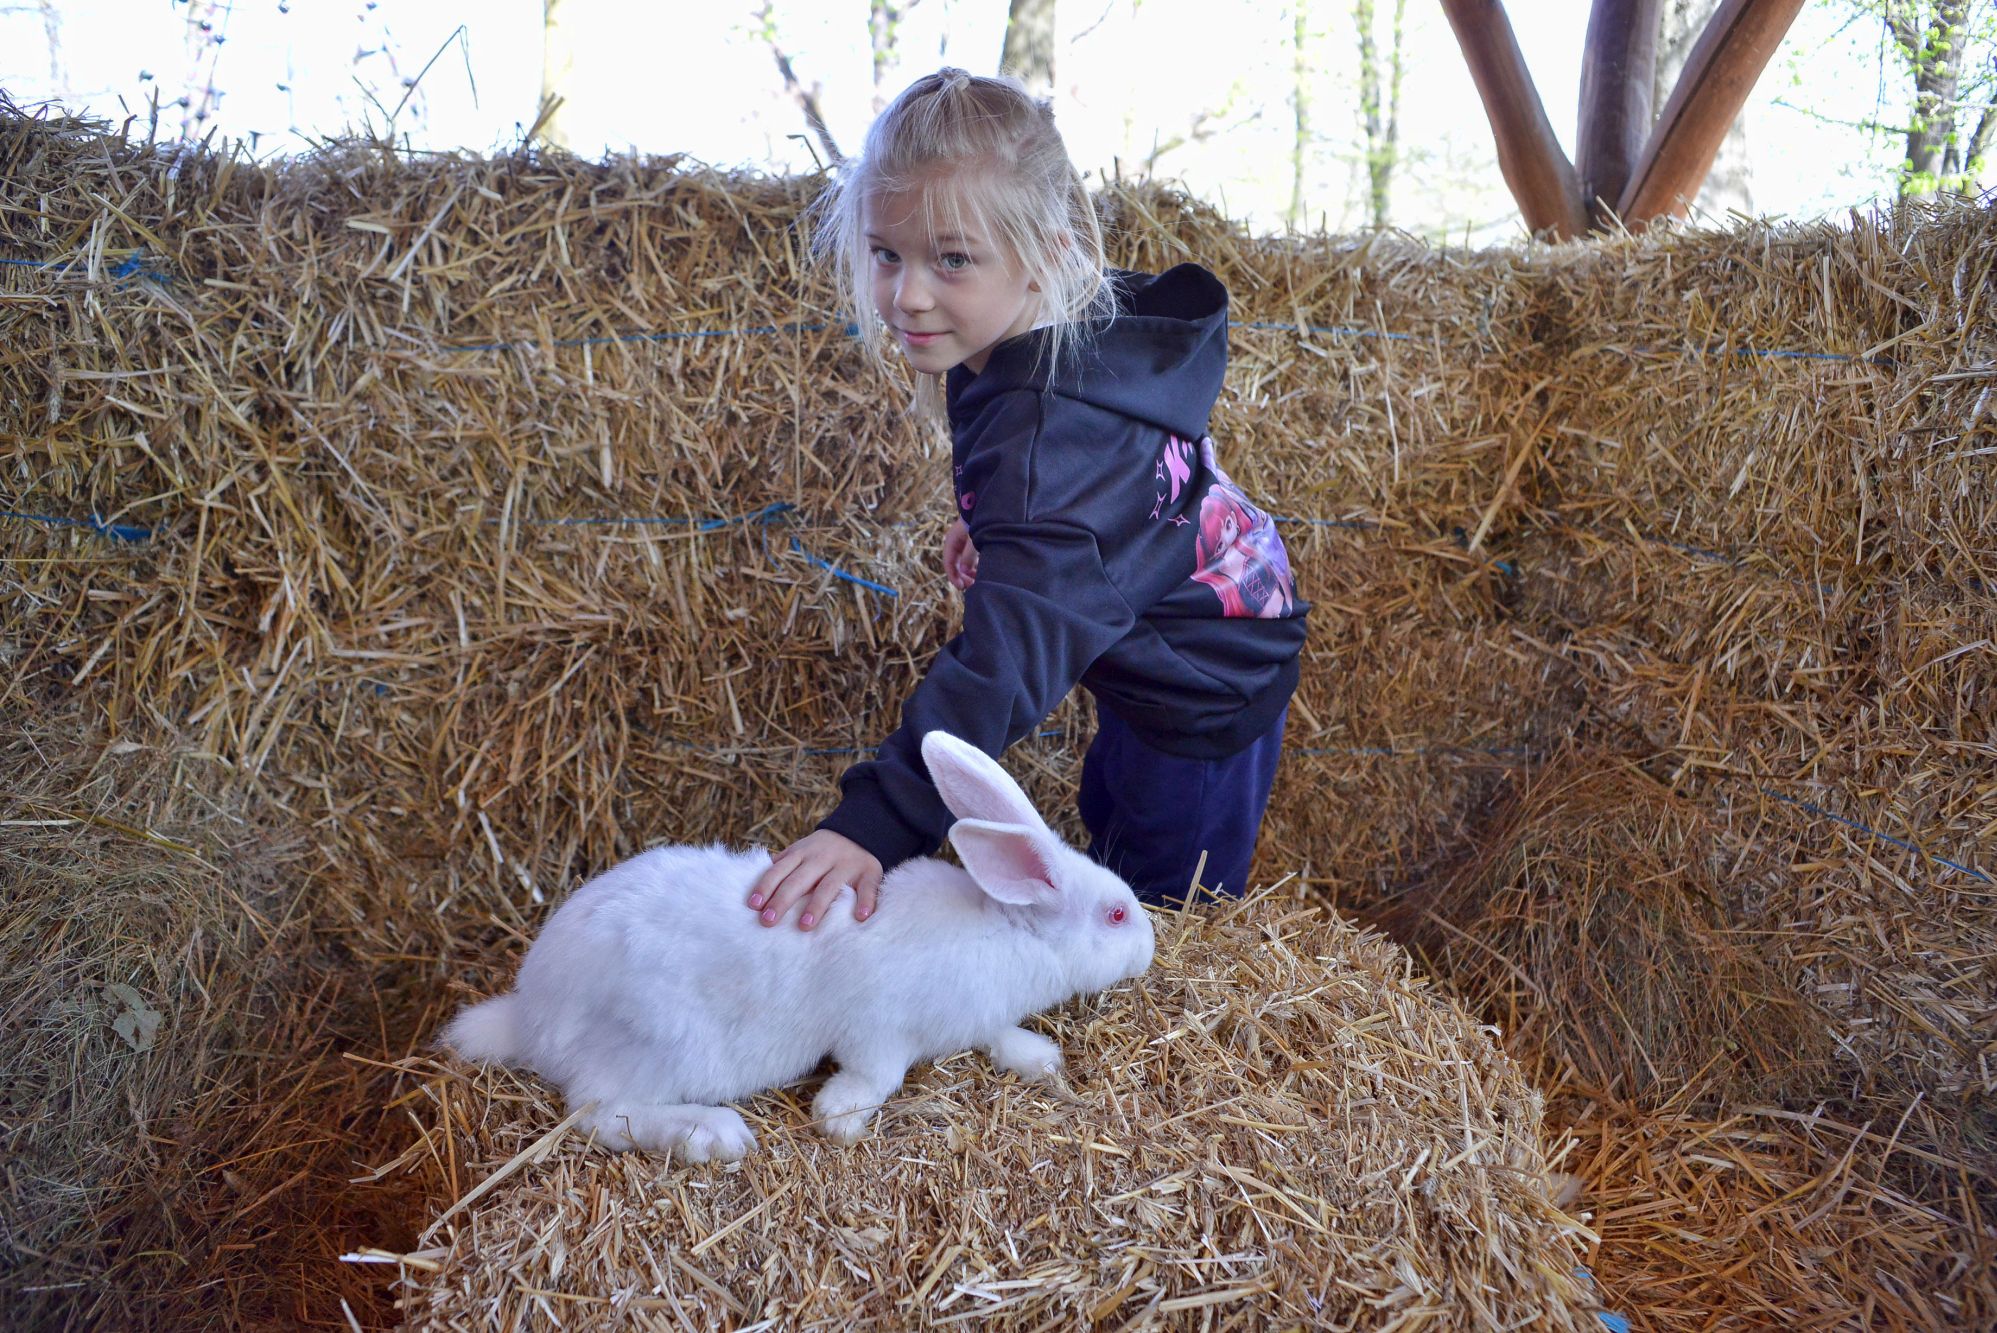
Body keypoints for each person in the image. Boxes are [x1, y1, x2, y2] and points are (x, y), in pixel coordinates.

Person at [747, 68, 1306, 927]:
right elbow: (1099, 490)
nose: (907, 294)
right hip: (1157, 630)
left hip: (1206, 685)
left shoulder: (1051, 440)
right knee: (1110, 809)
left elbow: (1004, 665)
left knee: (1158, 914)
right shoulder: (1038, 345)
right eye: (886, 253)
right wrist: (1001, 528)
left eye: (952, 259)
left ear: (1044, 253)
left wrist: (875, 822)